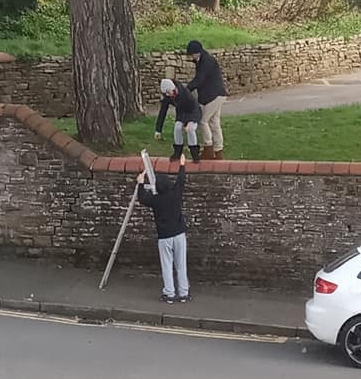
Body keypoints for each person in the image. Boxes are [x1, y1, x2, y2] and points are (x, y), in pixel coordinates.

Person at [137, 154, 191, 304]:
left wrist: (141, 183)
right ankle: (184, 293)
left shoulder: (156, 200)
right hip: (179, 234)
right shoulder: (176, 194)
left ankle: (169, 293)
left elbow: (142, 198)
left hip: (165, 237)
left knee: (167, 265)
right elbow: (181, 180)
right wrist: (182, 164)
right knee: (181, 264)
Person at [186, 40, 227, 160]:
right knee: (214, 123)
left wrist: (186, 89)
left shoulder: (206, 62)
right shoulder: (203, 60)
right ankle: (218, 151)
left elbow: (199, 79)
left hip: (214, 96)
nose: (191, 57)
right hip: (217, 95)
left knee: (203, 121)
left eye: (192, 54)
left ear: (197, 52)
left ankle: (208, 148)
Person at [154, 78, 201, 163]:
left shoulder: (184, 93)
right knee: (177, 128)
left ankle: (195, 155)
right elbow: (162, 112)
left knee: (190, 129)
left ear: (173, 88)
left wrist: (188, 123)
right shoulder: (167, 97)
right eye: (166, 94)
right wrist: (158, 130)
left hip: (193, 111)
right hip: (181, 112)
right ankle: (177, 153)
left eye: (169, 92)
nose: (168, 95)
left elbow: (194, 108)